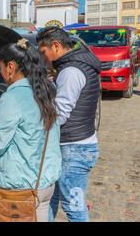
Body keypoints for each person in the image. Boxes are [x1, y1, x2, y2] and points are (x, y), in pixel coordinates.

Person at [0, 39, 62, 222]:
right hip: (45, 181)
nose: (1, 72)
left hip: (22, 186)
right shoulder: (44, 90)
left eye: (0, 67)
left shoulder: (12, 96)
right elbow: (28, 130)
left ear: (10, 66)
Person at [37, 27, 101, 222]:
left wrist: (35, 126)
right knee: (52, 198)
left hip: (73, 150)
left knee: (75, 209)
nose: (43, 58)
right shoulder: (77, 65)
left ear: (55, 46)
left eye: (43, 52)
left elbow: (61, 113)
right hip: (76, 146)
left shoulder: (71, 71)